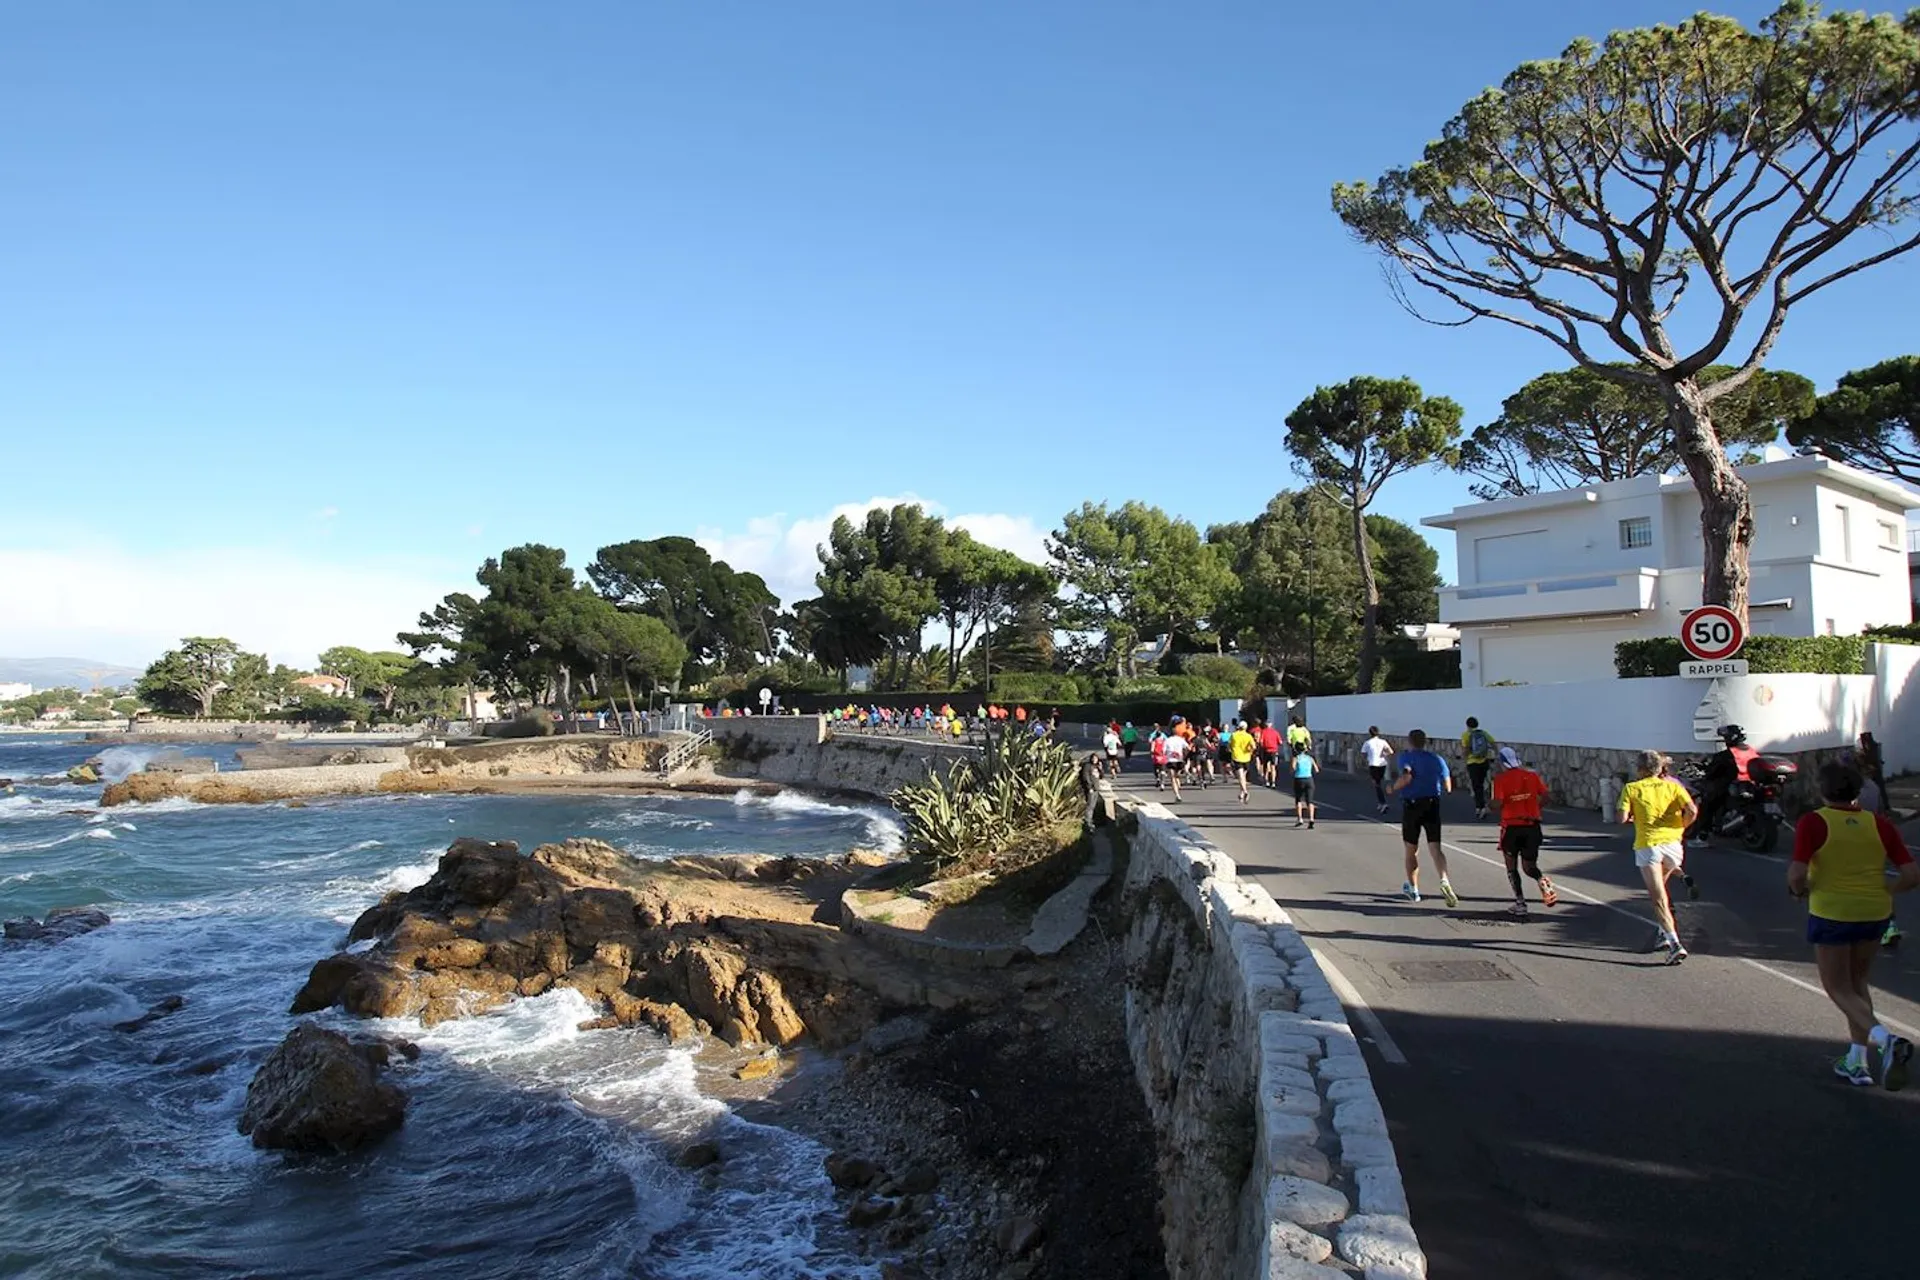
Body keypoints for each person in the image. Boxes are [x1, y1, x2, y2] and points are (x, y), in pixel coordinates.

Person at [1788, 759, 1917, 1088]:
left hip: (1832, 912)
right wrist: (1887, 890)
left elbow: (1798, 873)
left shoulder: (1814, 822)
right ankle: (1857, 1062)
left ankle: (1886, 1040)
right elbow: (1912, 874)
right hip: (1875, 912)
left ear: (1822, 790)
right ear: (1858, 790)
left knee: (1837, 987)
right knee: (1859, 984)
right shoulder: (1880, 825)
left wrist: (1798, 891)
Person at [1617, 749, 1698, 966]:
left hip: (1648, 845)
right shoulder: (1673, 786)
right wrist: (1681, 828)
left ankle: (1674, 944)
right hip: (1673, 845)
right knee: (1663, 889)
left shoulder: (1632, 788)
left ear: (1640, 769)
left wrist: (1631, 816)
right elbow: (1692, 810)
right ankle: (1664, 931)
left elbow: (1622, 817)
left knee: (1658, 897)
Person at [1391, 729, 1457, 906]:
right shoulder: (1437, 759)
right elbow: (1448, 785)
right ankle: (1444, 879)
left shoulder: (1406, 757)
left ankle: (1414, 890)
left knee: (1411, 849)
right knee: (1435, 847)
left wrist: (1393, 788)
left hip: (1412, 804)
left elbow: (1407, 777)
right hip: (1432, 803)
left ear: (1409, 741)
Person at [1490, 747, 1558, 918]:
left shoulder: (1500, 779)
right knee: (1529, 866)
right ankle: (1542, 880)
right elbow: (1547, 796)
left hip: (1512, 827)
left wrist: (1489, 806)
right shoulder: (1532, 776)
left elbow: (1497, 803)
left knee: (1511, 866)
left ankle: (1520, 903)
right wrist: (1536, 807)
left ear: (1502, 762)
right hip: (1532, 825)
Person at [1687, 724, 1758, 847]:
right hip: (1751, 785)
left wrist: (1706, 772)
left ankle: (1703, 836)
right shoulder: (1751, 751)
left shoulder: (1725, 755)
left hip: (1731, 785)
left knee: (1707, 803)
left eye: (1726, 738)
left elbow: (1712, 772)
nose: (1725, 741)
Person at [1461, 717, 1497, 818]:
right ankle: (1482, 805)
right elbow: (1493, 743)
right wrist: (1496, 754)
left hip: (1472, 763)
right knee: (1480, 784)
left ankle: (1480, 807)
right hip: (1484, 761)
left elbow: (1465, 749)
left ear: (1467, 725)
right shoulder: (1483, 733)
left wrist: (1465, 760)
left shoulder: (1466, 735)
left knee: (1476, 786)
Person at [1361, 727, 1393, 814]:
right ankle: (1380, 802)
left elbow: (1363, 753)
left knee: (1376, 784)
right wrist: (1383, 754)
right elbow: (1391, 751)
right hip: (1382, 764)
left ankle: (1383, 803)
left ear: (1370, 733)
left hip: (1373, 765)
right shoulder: (1383, 742)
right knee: (1378, 782)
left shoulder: (1367, 743)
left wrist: (1365, 760)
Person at [1227, 719, 1257, 804]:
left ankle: (1245, 791)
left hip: (1237, 757)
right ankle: (1242, 793)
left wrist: (1231, 750)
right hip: (1247, 758)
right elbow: (1254, 747)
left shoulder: (1233, 735)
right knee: (1243, 777)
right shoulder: (1248, 736)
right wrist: (1249, 751)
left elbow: (1229, 746)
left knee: (1241, 777)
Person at [1291, 746, 1320, 829]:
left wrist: (1295, 770)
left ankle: (1300, 818)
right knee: (1310, 801)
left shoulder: (1296, 758)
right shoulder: (1310, 758)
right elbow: (1317, 770)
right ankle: (1311, 819)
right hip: (1309, 779)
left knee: (1299, 800)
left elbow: (1293, 768)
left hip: (1299, 779)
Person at [1161, 726, 1188, 802]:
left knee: (1173, 778)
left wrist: (1167, 755)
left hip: (1170, 761)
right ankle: (1178, 792)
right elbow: (1187, 748)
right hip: (1179, 760)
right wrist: (1184, 756)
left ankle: (1177, 795)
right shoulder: (1181, 740)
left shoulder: (1167, 740)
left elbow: (1163, 751)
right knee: (1177, 777)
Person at [1257, 719, 1283, 788]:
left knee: (1265, 766)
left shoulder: (1263, 732)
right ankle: (1273, 782)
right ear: (1271, 725)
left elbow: (1261, 742)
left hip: (1266, 751)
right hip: (1274, 751)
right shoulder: (1275, 732)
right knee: (1273, 767)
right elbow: (1280, 742)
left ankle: (1267, 781)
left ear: (1266, 725)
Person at [1150, 725, 1170, 789]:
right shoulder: (1164, 742)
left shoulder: (1154, 741)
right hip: (1163, 757)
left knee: (1156, 769)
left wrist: (1152, 754)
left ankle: (1157, 778)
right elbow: (1167, 749)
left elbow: (1152, 750)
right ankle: (1162, 784)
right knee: (1163, 770)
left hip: (1156, 757)